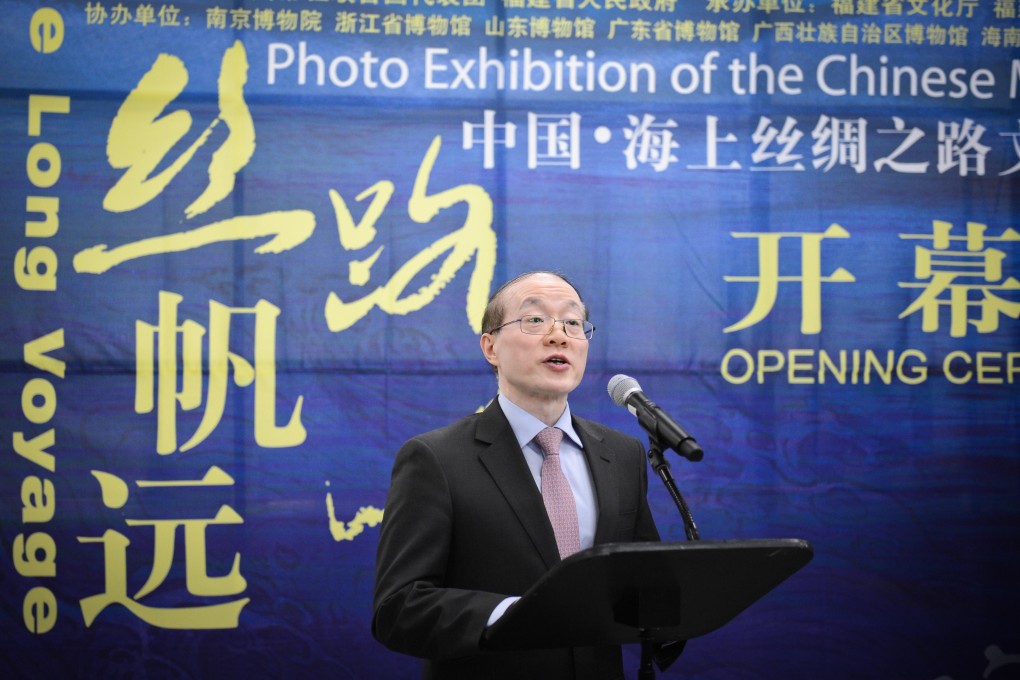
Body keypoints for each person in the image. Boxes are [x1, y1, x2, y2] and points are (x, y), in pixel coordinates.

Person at [372, 271, 664, 680]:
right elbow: (399, 607)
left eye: (573, 323)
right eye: (535, 320)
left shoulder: (621, 453)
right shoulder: (435, 459)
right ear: (490, 347)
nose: (558, 336)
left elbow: (642, 581)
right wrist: (515, 614)